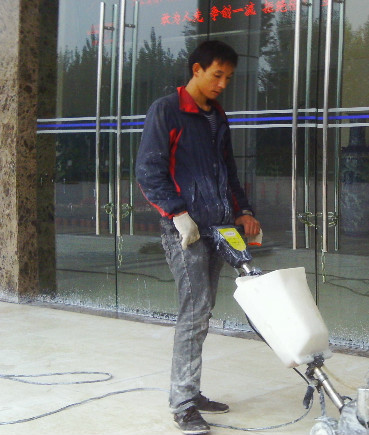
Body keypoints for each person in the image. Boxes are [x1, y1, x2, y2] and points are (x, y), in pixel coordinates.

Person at [135, 40, 261, 435]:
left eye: (228, 78)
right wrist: (177, 214)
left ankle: (190, 390)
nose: (223, 84)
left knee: (202, 312)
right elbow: (149, 171)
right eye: (217, 75)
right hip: (185, 231)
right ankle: (184, 404)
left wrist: (243, 210)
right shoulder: (166, 110)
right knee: (194, 311)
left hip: (218, 227)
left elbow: (227, 169)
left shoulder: (216, 116)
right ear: (197, 70)